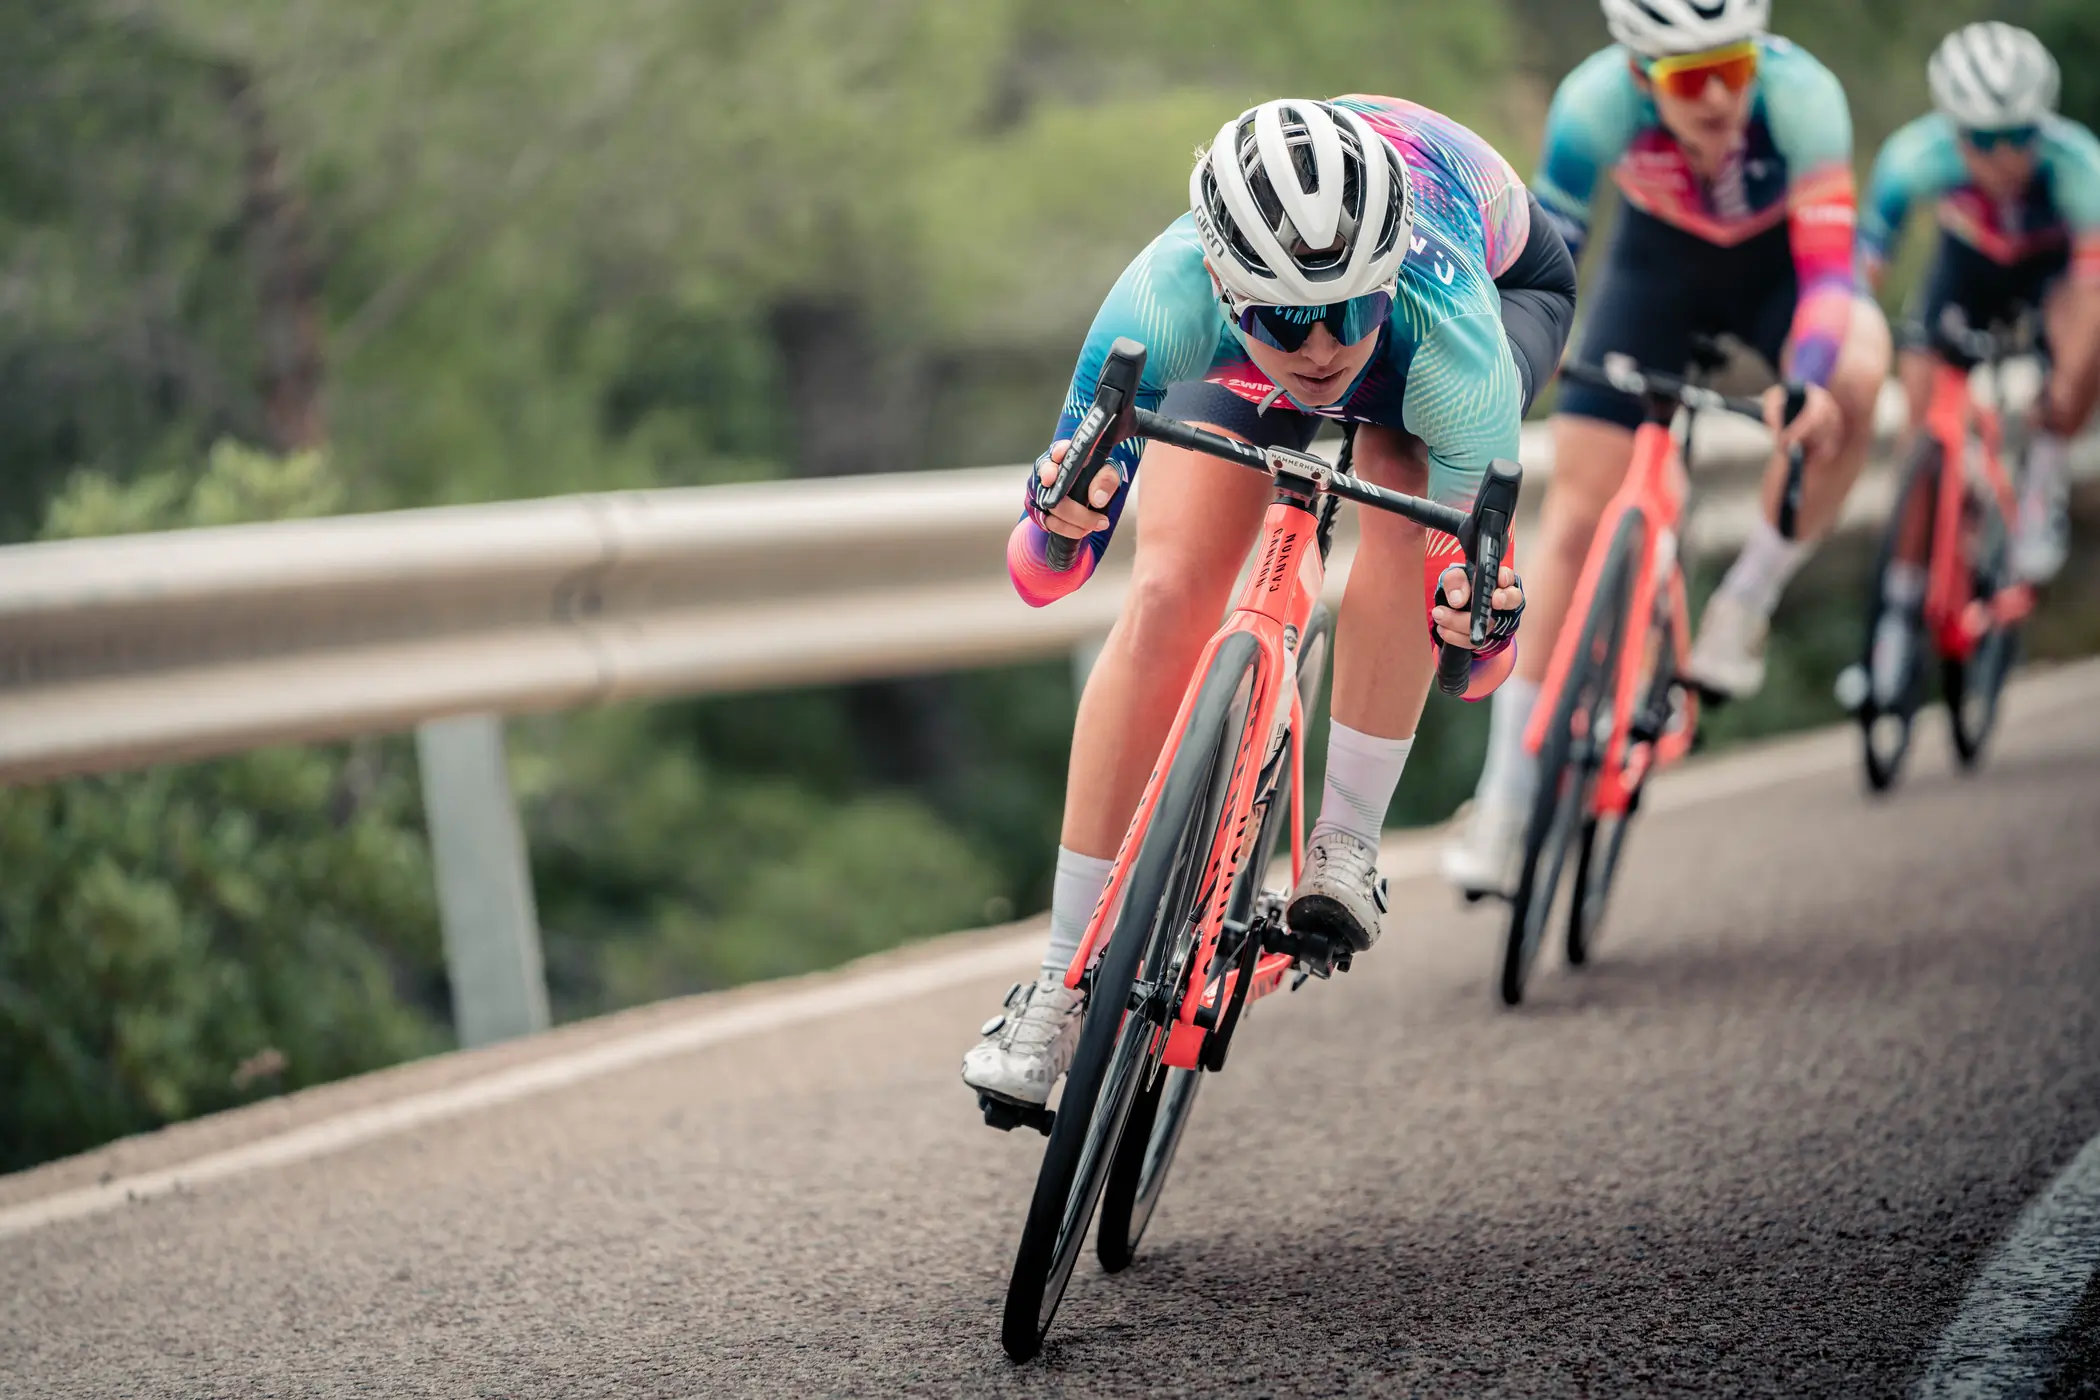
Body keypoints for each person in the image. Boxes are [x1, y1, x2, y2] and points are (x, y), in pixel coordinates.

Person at [962, 97, 1578, 1107]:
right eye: (1291, 319)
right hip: (1301, 331)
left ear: (1381, 285)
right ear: (1223, 285)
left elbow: (1477, 663)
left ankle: (1346, 845)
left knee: (1398, 468)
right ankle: (1059, 981)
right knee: (1166, 590)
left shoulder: (1448, 336)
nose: (1324, 346)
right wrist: (1063, 517)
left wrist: (1480, 611)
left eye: (1348, 313)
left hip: (1494, 290)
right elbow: (1041, 575)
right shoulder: (1160, 300)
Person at [1441, 0, 1892, 897]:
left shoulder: (1803, 97)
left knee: (1859, 377)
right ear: (1643, 75)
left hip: (1781, 277)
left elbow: (1833, 273)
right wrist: (1525, 360)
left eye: (1736, 66)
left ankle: (1748, 599)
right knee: (1573, 519)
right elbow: (1544, 257)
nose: (1722, 97)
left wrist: (1803, 376)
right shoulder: (1593, 102)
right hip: (1654, 278)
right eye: (1693, 78)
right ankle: (1503, 801)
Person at [1860, 22, 2100, 595]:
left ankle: (2045, 475)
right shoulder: (1913, 158)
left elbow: (2091, 290)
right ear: (1953, 128)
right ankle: (1904, 586)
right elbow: (1861, 270)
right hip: (1967, 271)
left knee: (2083, 344)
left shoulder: (2080, 166)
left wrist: (2068, 384)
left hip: (2054, 277)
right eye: (1983, 140)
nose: (2005, 156)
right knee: (1917, 415)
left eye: (2020, 135)